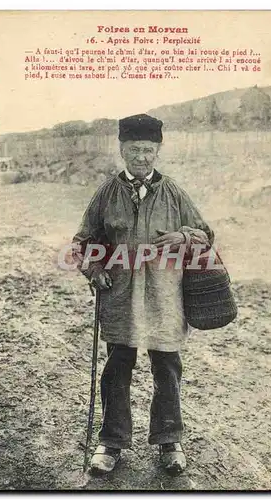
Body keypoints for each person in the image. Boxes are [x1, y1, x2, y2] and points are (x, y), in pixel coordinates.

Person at [72, 114, 214, 475]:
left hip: (165, 296)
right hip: (121, 296)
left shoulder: (174, 192)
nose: (142, 157)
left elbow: (205, 235)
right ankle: (111, 442)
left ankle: (170, 441)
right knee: (117, 367)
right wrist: (95, 269)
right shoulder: (107, 192)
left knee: (166, 368)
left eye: (148, 150)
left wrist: (183, 237)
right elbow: (84, 242)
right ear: (122, 150)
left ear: (157, 151)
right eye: (134, 149)